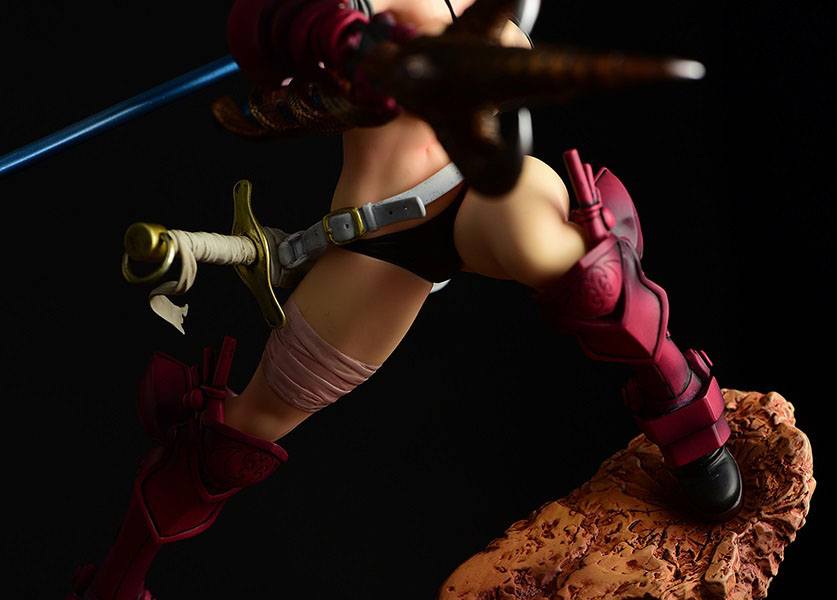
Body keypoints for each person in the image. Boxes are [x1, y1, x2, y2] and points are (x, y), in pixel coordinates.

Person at [70, 1, 742, 598]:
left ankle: (681, 402)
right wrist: (322, 32)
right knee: (240, 434)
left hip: (485, 188)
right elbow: (257, 29)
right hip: (378, 239)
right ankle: (116, 580)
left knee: (576, 268)